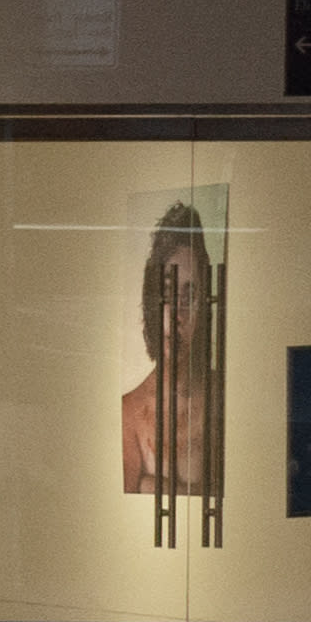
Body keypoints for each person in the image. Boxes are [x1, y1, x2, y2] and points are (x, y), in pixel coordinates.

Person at [122, 202, 218, 498]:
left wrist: (148, 483)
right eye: (168, 293)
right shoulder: (131, 411)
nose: (178, 314)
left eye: (190, 296)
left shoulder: (221, 395)